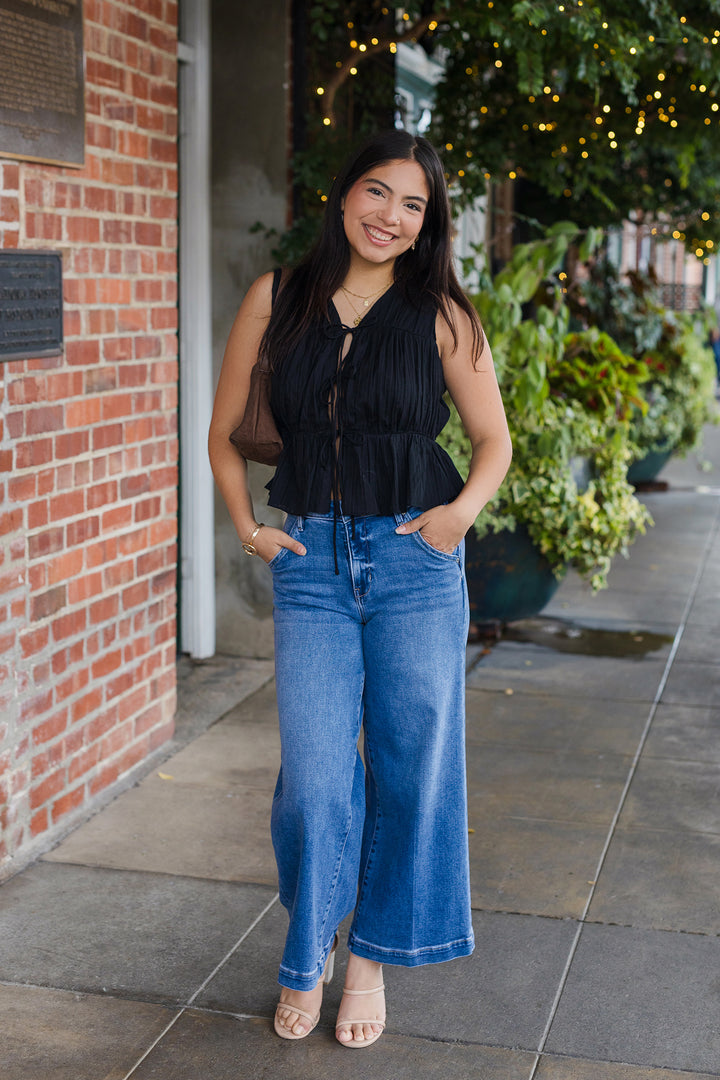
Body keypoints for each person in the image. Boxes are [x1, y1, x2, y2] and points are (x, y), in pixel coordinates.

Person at [208, 130, 511, 1049]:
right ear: (343, 198)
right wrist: (248, 527)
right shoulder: (278, 297)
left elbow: (492, 442)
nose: (390, 216)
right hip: (311, 565)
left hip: (417, 563)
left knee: (411, 767)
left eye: (413, 205)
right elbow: (225, 433)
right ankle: (308, 949)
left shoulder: (444, 314)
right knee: (311, 777)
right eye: (377, 193)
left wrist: (456, 518)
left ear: (428, 225)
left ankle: (366, 960)